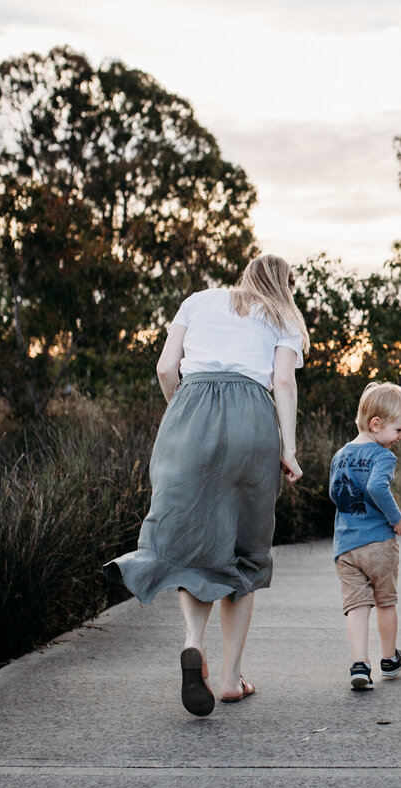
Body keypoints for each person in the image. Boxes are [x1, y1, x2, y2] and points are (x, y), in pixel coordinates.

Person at [102, 254, 309, 717]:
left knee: (193, 542)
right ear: (285, 285)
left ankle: (193, 642)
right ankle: (233, 679)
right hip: (251, 418)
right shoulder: (282, 315)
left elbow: (164, 368)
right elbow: (282, 381)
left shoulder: (197, 301)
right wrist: (288, 449)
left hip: (190, 410)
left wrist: (182, 412)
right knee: (244, 549)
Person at [329, 382, 401, 690]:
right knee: (385, 602)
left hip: (345, 547)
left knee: (356, 605)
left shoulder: (340, 455)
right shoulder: (383, 456)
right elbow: (376, 488)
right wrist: (397, 519)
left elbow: (334, 493)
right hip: (378, 542)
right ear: (376, 424)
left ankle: (359, 665)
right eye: (399, 430)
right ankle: (389, 659)